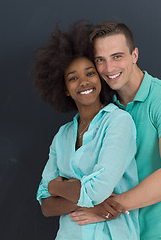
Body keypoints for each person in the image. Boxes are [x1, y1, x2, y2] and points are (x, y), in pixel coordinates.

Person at [69, 21, 161, 240]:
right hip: (119, 234)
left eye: (117, 56)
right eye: (101, 60)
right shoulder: (104, 111)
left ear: (134, 55)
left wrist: (109, 209)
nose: (109, 68)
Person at [34, 21, 139, 240]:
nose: (83, 82)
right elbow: (45, 205)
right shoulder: (62, 136)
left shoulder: (119, 122)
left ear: (100, 77)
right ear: (64, 89)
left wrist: (57, 186)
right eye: (73, 78)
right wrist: (93, 201)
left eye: (90, 73)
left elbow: (96, 191)